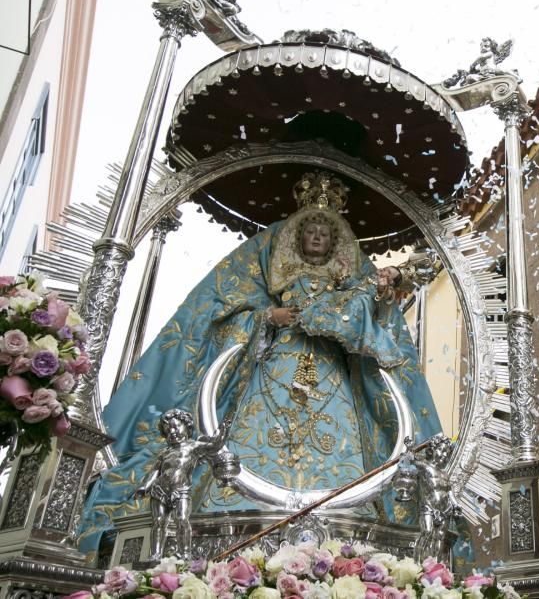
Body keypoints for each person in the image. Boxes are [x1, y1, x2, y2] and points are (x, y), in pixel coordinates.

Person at [79, 172, 441, 555]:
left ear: (337, 243)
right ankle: (229, 515)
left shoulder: (353, 279)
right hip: (275, 362)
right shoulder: (265, 268)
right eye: (309, 230)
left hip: (331, 369)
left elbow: (375, 319)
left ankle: (347, 519)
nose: (317, 237)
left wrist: (379, 292)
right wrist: (267, 318)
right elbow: (219, 309)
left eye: (325, 232)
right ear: (293, 237)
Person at [136, 409, 232, 560]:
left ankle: (185, 553)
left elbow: (215, 445)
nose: (172, 432)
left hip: (181, 491)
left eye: (176, 427)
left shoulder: (193, 447)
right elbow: (155, 471)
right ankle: (155, 554)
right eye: (168, 430)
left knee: (181, 519)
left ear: (186, 427)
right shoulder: (165, 453)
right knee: (159, 521)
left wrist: (224, 430)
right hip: (159, 490)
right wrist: (145, 486)